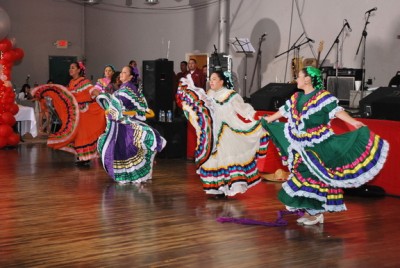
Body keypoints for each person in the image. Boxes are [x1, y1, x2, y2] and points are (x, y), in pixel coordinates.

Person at [262, 66, 389, 225]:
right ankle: (310, 211)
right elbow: (284, 111)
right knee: (302, 174)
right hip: (300, 142)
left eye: (299, 76)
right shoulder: (296, 97)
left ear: (308, 79)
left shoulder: (322, 97)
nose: (297, 79)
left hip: (319, 143)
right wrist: (269, 119)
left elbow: (337, 111)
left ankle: (316, 213)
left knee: (314, 176)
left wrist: (354, 122)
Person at [177, 70, 268, 198]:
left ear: (222, 81)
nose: (211, 81)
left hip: (227, 133)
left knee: (226, 161)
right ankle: (217, 189)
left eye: (214, 79)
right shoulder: (208, 94)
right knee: (213, 161)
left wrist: (256, 118)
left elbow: (244, 110)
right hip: (213, 134)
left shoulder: (231, 95)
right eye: (211, 79)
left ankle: (227, 187)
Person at [92, 66, 166, 184]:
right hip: (121, 125)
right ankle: (131, 175)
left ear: (131, 77)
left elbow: (134, 108)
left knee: (128, 150)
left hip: (126, 125)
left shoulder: (128, 89)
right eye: (121, 72)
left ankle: (133, 175)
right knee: (125, 150)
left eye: (124, 72)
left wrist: (115, 108)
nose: (121, 74)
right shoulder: (124, 88)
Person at [31, 61, 106, 166]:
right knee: (77, 135)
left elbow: (92, 91)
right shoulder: (71, 83)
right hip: (76, 114)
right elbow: (65, 95)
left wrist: (104, 98)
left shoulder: (84, 81)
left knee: (82, 135)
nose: (70, 69)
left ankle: (84, 158)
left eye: (73, 68)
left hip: (85, 113)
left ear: (79, 70)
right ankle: (83, 157)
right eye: (70, 68)